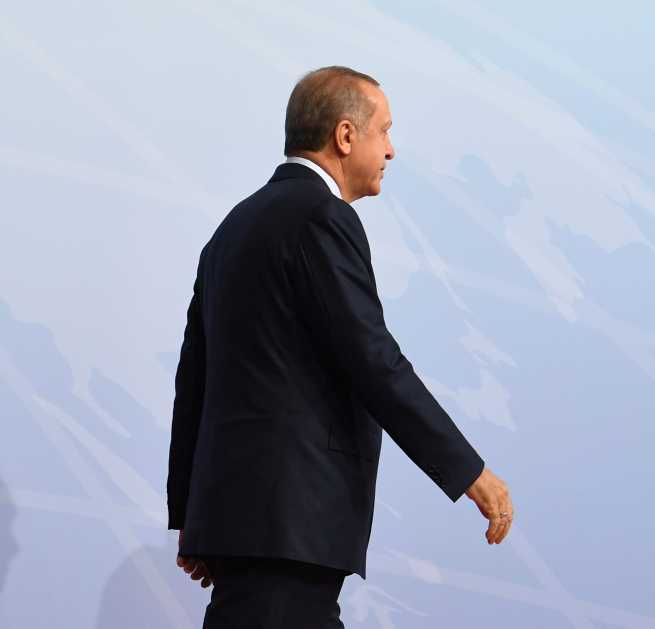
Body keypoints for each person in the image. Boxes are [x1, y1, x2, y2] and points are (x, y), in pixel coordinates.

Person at [167, 66, 514, 628]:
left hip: (246, 526)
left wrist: (193, 511)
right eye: (385, 130)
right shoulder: (322, 217)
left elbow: (194, 380)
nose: (392, 150)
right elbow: (373, 359)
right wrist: (469, 472)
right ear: (346, 135)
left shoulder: (232, 227)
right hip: (289, 525)